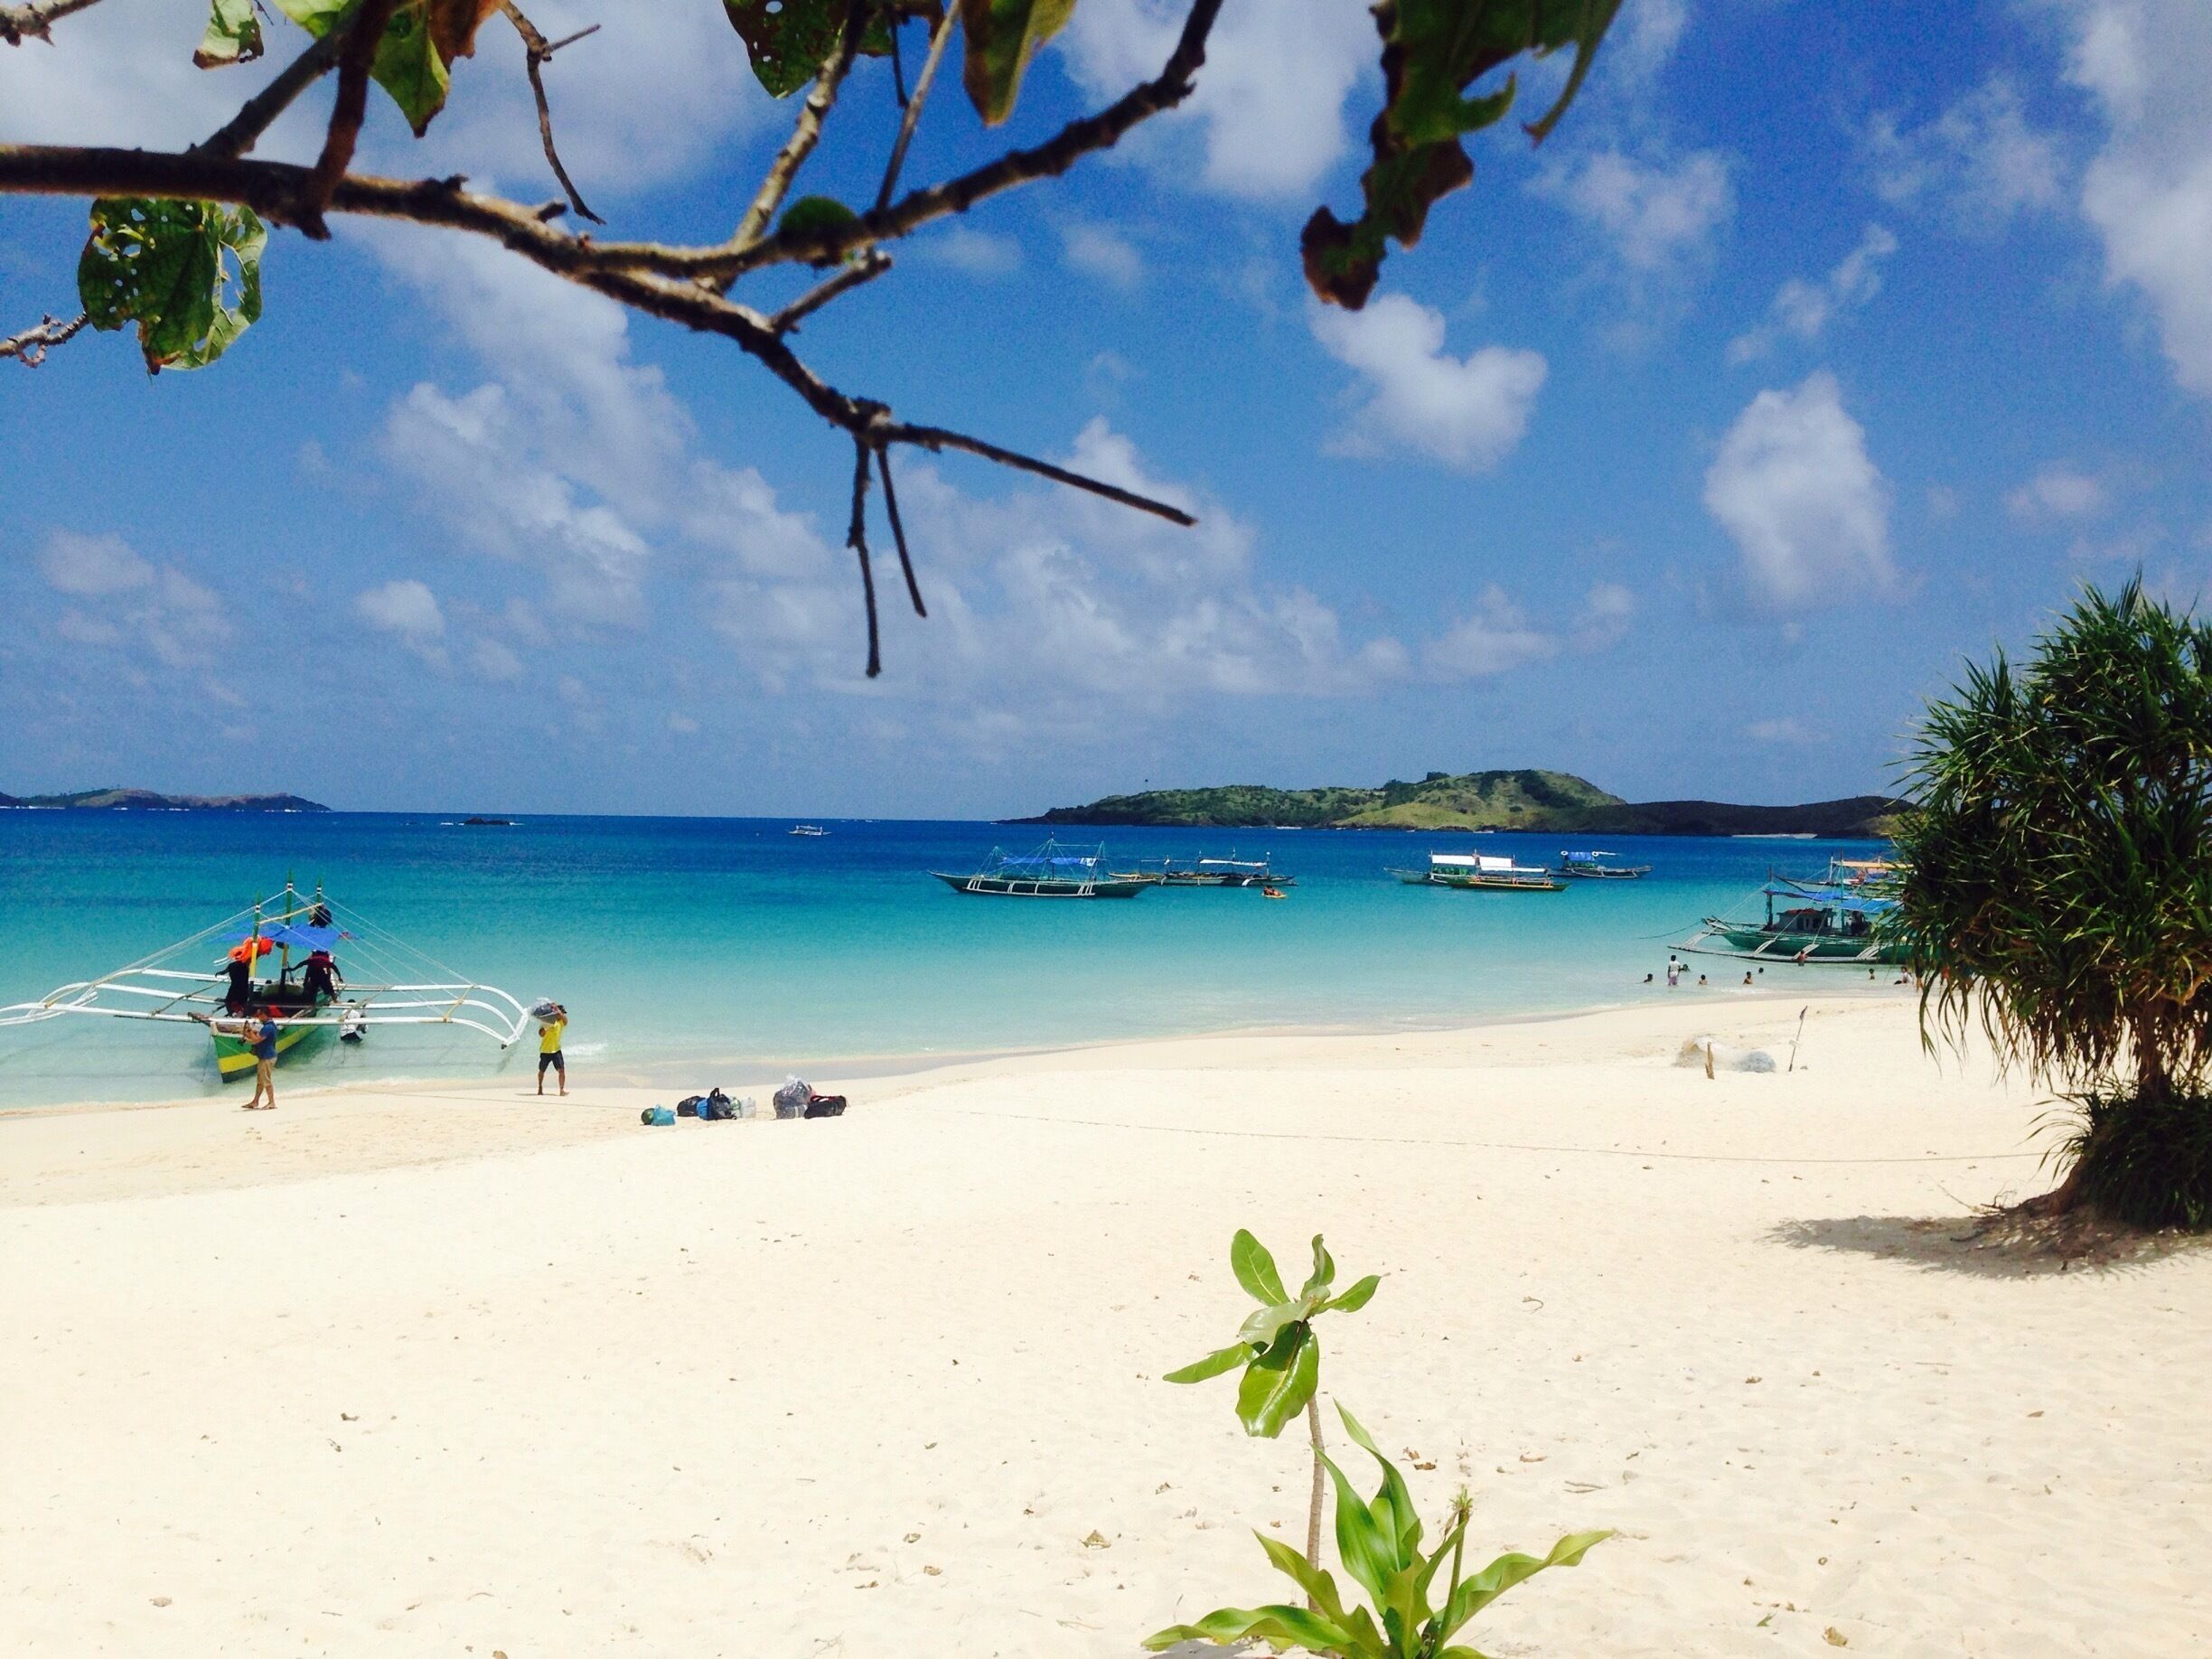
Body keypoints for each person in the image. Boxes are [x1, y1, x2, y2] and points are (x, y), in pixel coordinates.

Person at [243, 1008, 280, 1111]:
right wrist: (249, 1036)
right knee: (260, 1081)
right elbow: (257, 1040)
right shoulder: (268, 1026)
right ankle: (255, 1101)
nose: (258, 1017)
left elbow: (256, 1040)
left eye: (260, 1015)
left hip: (267, 1057)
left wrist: (250, 1032)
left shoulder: (268, 1027)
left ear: (265, 1015)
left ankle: (272, 1102)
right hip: (264, 1056)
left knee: (266, 1080)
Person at [537, 1003, 567, 1097]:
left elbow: (566, 1021)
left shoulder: (561, 1022)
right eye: (562, 1013)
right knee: (542, 1071)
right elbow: (541, 1034)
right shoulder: (547, 1022)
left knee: (561, 1070)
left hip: (556, 1050)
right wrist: (544, 1030)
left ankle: (561, 1090)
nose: (563, 1015)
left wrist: (558, 1011)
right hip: (545, 1050)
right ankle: (540, 1087)